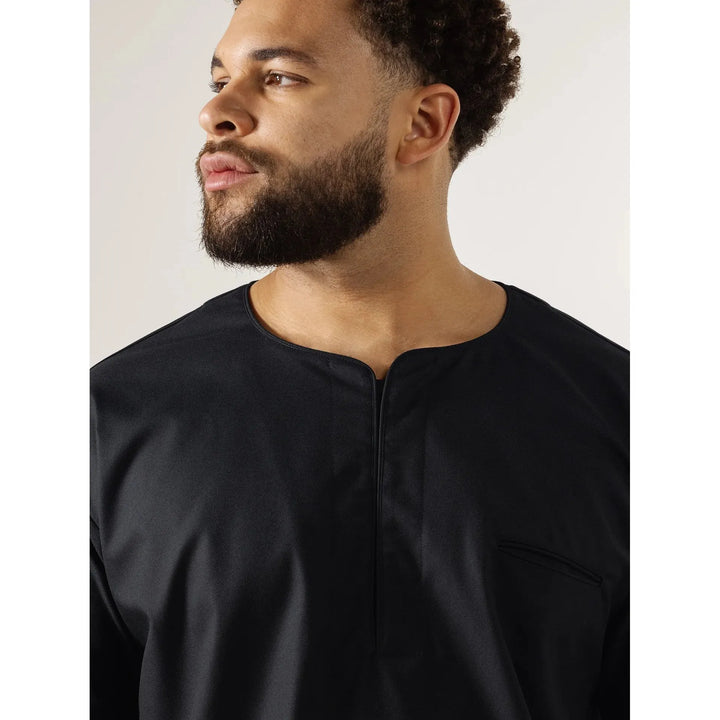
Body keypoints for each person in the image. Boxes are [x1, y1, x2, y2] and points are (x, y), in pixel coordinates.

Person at [90, 0, 629, 718]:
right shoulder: (110, 421)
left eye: (279, 77)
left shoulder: (624, 419)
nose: (216, 113)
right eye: (219, 80)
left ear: (423, 123)